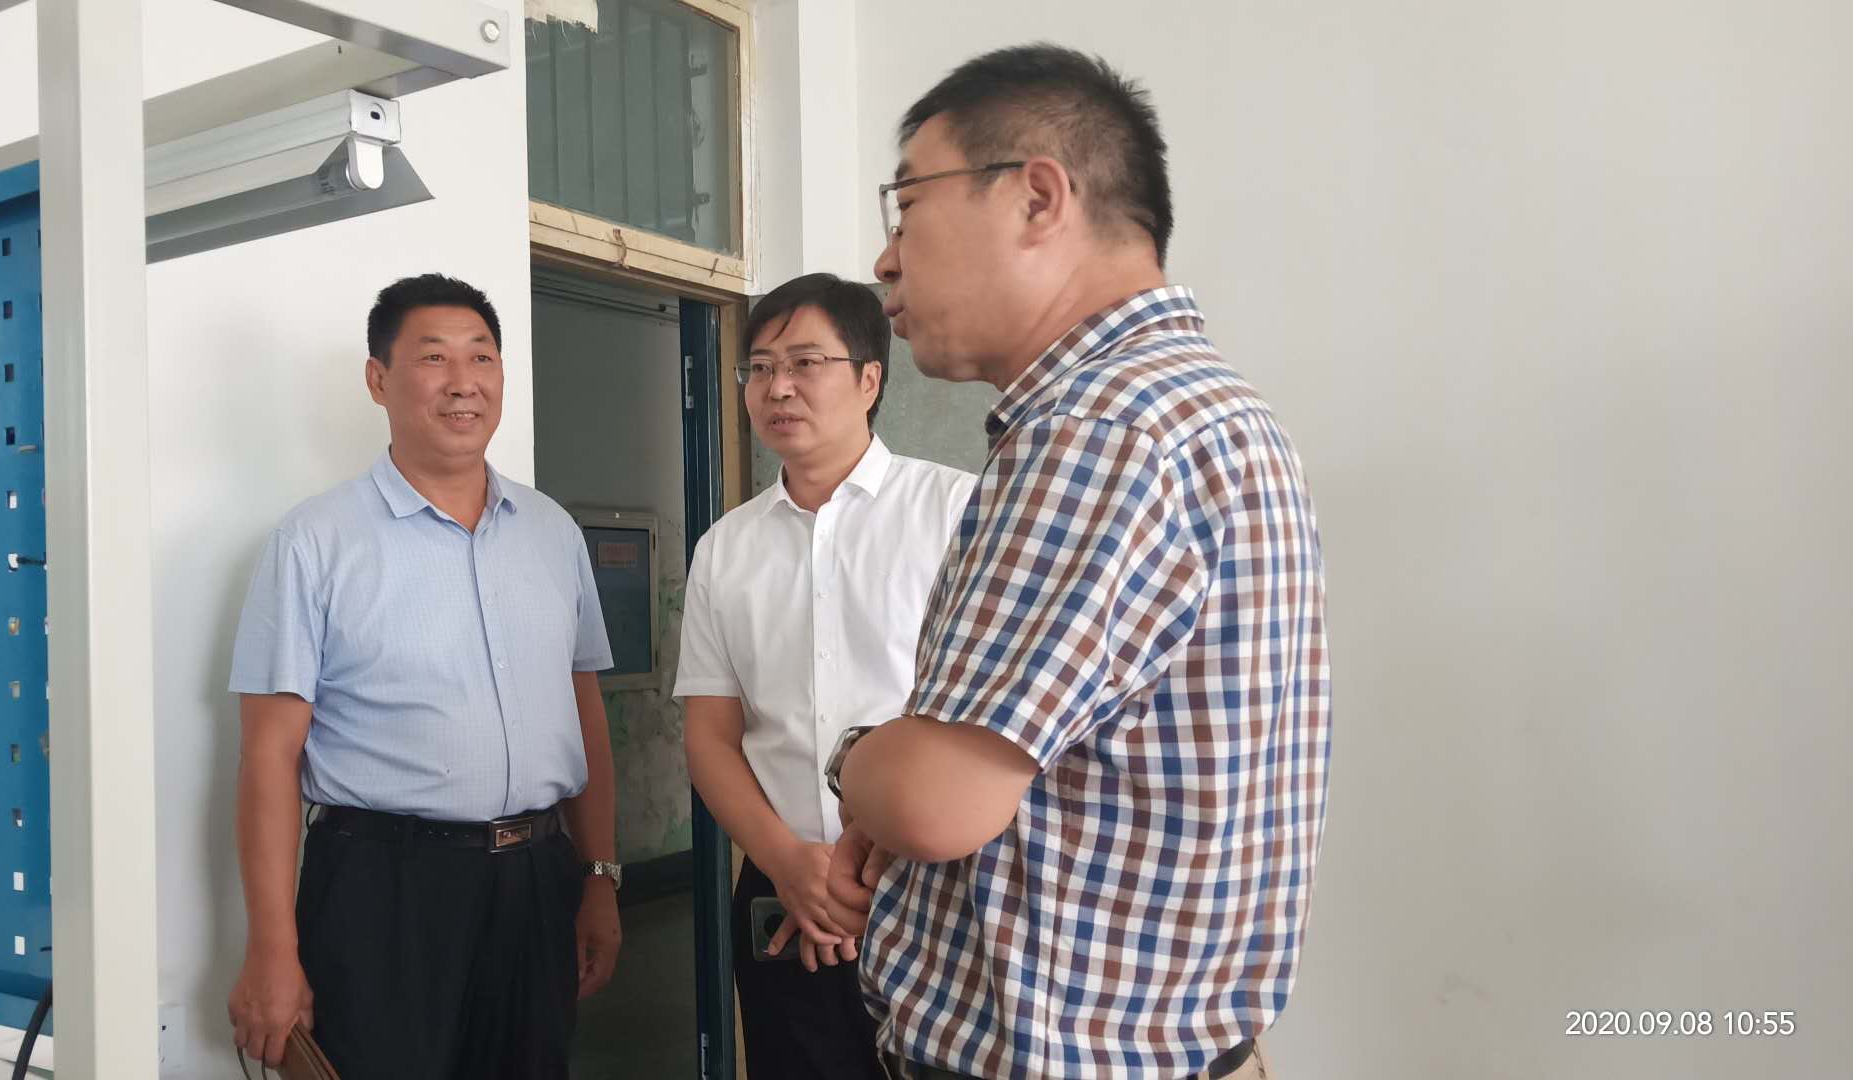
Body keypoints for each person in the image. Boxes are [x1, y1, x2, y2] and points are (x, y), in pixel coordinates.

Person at [822, 45, 1331, 1080]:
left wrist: (855, 758)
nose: (885, 260)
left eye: (906, 207)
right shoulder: (1210, 409)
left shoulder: (1100, 428)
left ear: (1037, 197)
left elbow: (932, 803)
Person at [224, 274, 625, 1079]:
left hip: (537, 882)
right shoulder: (316, 542)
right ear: (379, 380)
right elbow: (269, 755)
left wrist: (599, 876)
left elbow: (583, 713)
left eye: (482, 357)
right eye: (434, 357)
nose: (463, 381)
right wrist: (271, 948)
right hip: (383, 890)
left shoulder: (552, 532)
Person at [675, 274, 973, 1079]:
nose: (778, 388)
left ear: (869, 379)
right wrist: (788, 864)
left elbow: (985, 721)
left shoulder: (955, 512)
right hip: (783, 890)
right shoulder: (725, 549)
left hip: (932, 891)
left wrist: (861, 870)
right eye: (760, 368)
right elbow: (710, 739)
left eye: (806, 363)